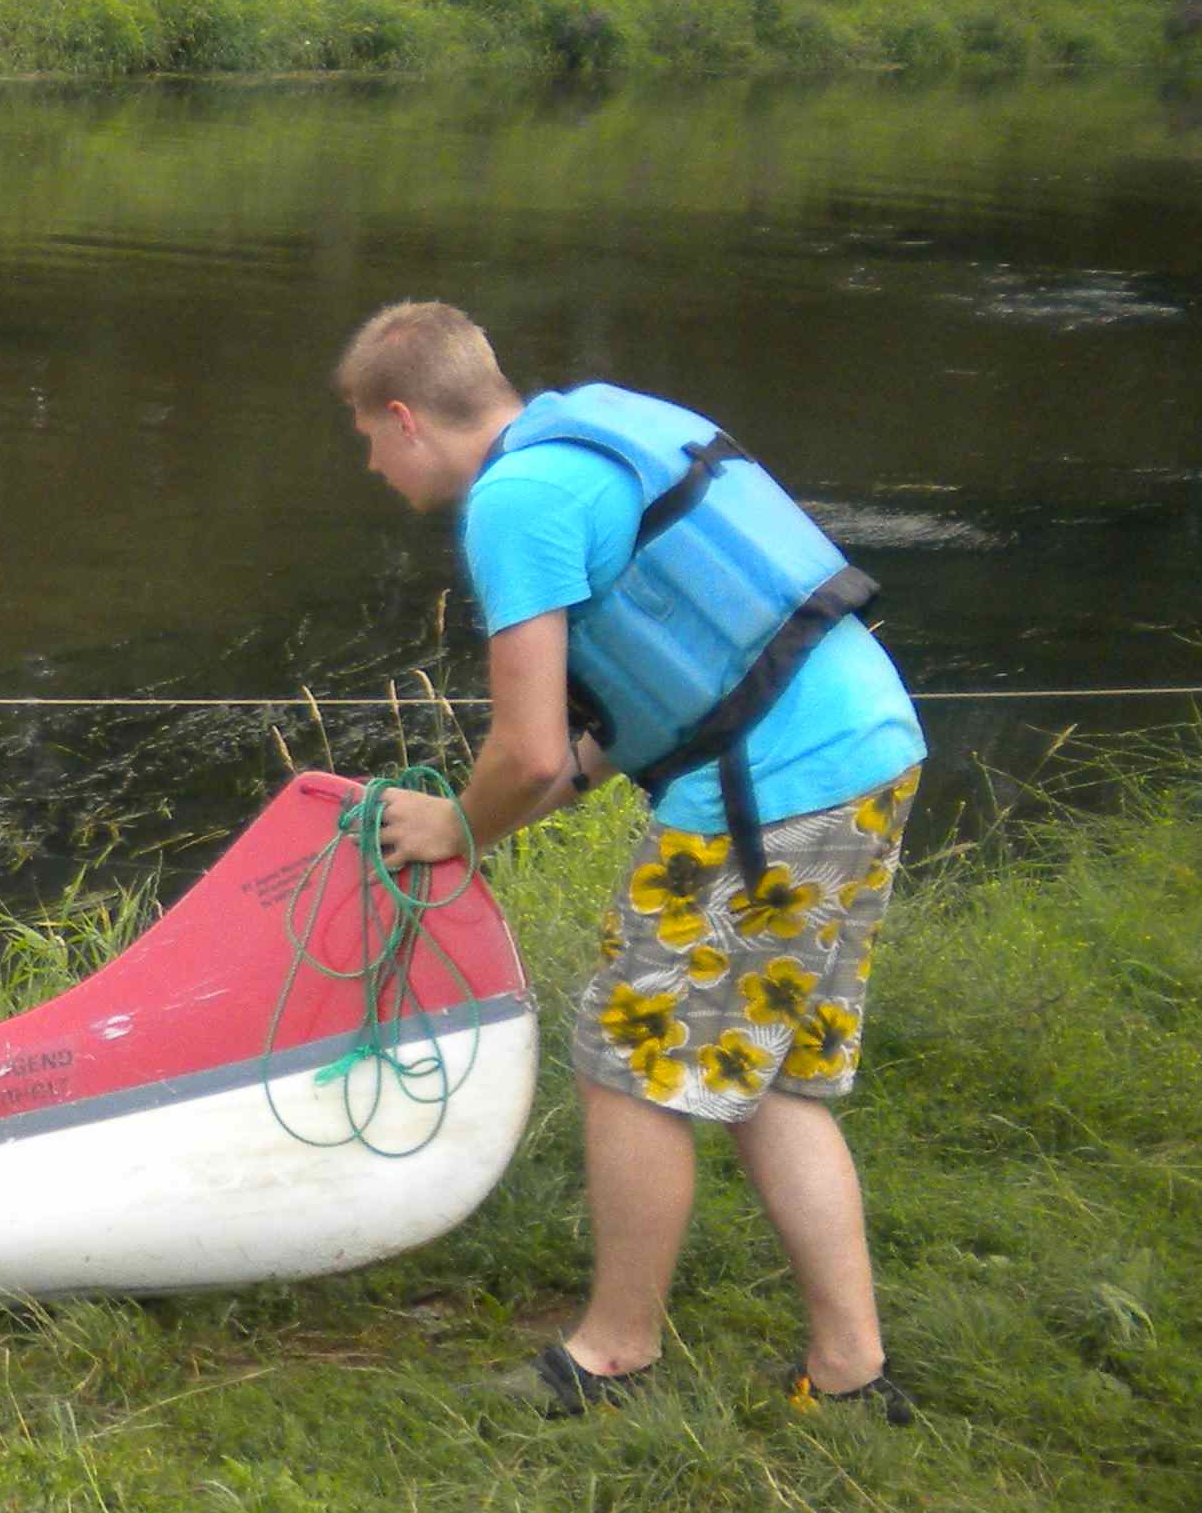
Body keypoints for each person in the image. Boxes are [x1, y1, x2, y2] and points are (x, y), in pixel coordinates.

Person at [336, 301, 927, 1422]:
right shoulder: (604, 428)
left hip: (765, 794)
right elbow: (661, 685)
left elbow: (525, 751)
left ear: (406, 418)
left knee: (627, 1062)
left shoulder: (513, 505)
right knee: (767, 1075)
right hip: (866, 747)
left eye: (369, 437)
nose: (372, 463)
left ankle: (612, 1356)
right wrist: (528, 797)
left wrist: (458, 829)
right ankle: (852, 1371)